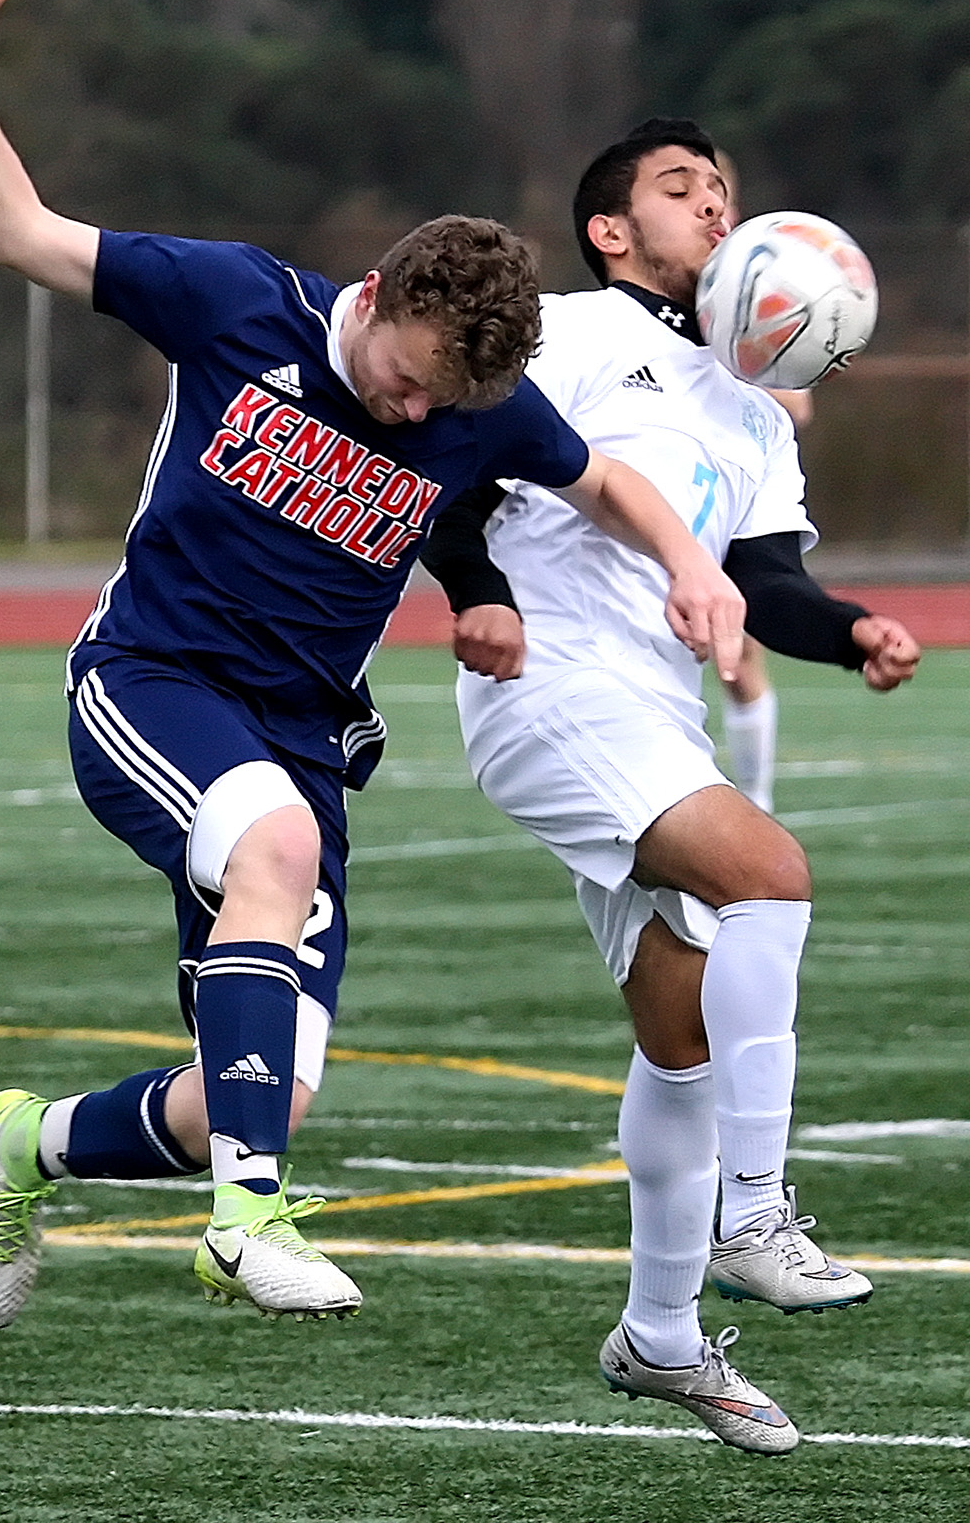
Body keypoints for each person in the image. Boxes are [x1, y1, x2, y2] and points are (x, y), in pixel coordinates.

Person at [0, 0, 746, 1334]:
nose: (415, 420)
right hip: (154, 681)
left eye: (440, 411)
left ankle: (25, 1143)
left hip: (300, 739)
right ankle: (246, 1224)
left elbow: (605, 479)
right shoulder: (234, 302)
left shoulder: (474, 400)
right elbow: (17, 231)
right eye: (406, 386)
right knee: (271, 863)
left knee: (252, 1091)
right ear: (382, 298)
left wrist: (694, 569)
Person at [422, 116, 920, 1455]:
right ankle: (755, 1215)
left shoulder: (757, 412)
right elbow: (453, 462)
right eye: (681, 187)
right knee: (772, 873)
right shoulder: (577, 333)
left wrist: (853, 627)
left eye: (725, 190)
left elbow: (769, 587)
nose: (714, 206)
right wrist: (473, 590)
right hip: (554, 693)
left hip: (655, 717)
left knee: (681, 1030)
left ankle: (660, 1339)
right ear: (611, 229)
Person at [712, 150, 814, 814]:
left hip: (728, 496)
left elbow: (796, 403)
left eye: (716, 191)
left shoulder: (757, 283)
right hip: (647, 495)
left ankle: (756, 802)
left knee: (739, 656)